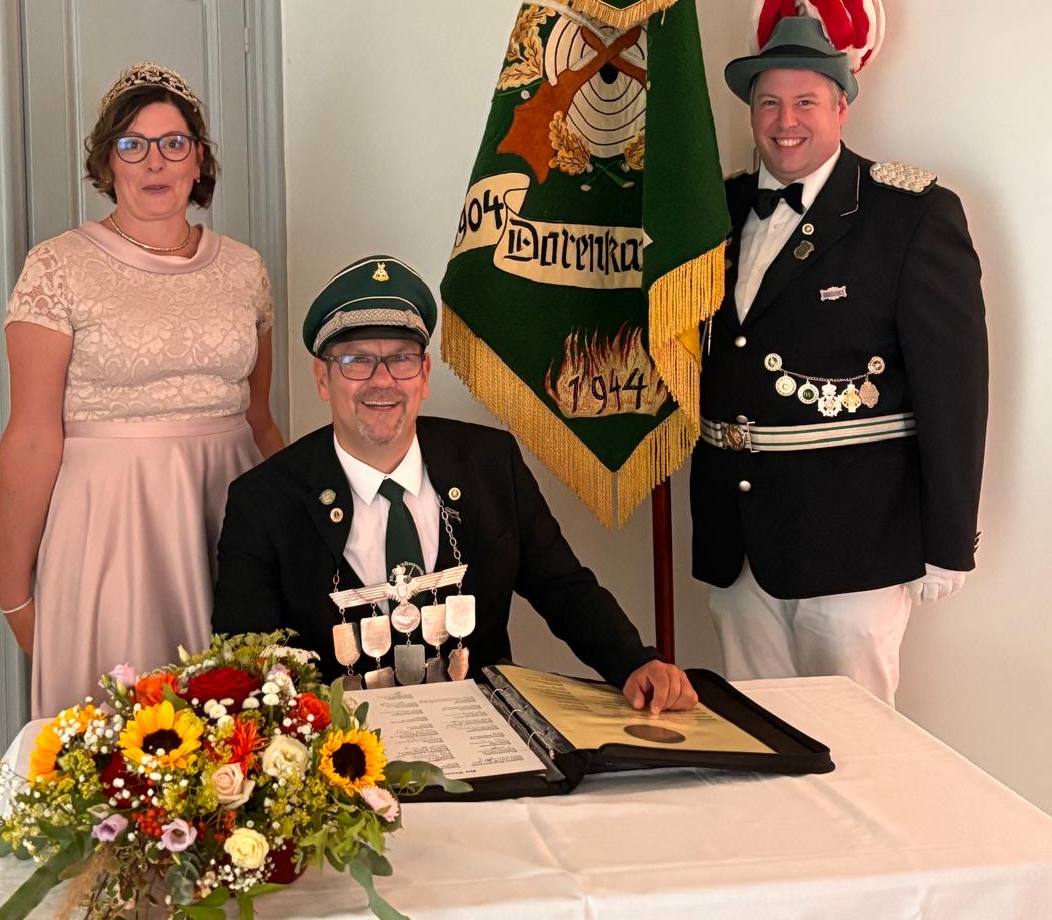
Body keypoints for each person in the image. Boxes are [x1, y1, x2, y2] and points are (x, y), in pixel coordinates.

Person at [214, 255, 697, 713]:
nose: (382, 381)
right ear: (323, 378)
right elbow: (248, 658)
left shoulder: (490, 464)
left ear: (424, 375)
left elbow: (564, 589)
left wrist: (634, 662)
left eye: (401, 359)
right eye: (356, 361)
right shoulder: (264, 499)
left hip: (483, 731)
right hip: (340, 750)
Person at [688, 15, 988, 704]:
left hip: (856, 544)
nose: (785, 121)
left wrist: (948, 539)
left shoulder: (908, 214)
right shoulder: (716, 211)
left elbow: (955, 389)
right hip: (740, 545)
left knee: (857, 745)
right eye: (768, 102)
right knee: (757, 735)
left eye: (805, 102)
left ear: (841, 106)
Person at [0, 63, 285, 715]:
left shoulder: (245, 268)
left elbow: (260, 419)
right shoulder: (58, 266)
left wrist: (307, 532)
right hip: (109, 528)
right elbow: (32, 437)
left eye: (173, 143)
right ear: (108, 162)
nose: (155, 162)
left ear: (198, 159)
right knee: (127, 734)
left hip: (229, 513)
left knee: (243, 730)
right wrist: (12, 589)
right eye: (133, 144)